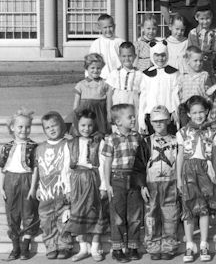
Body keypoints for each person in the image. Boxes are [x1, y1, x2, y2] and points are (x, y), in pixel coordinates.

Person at [176, 96, 216, 263]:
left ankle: (204, 243)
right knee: (189, 209)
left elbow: (214, 157)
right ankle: (190, 244)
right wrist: (178, 178)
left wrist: (213, 176)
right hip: (188, 172)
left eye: (201, 112)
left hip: (205, 172)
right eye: (194, 112)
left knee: (204, 208)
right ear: (188, 114)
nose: (198, 115)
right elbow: (180, 157)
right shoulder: (182, 132)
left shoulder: (213, 133)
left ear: (207, 111)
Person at [101, 104, 145, 262]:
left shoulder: (138, 137)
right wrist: (108, 184)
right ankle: (117, 248)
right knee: (118, 217)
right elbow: (107, 163)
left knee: (135, 216)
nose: (133, 119)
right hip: (117, 179)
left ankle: (133, 247)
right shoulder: (111, 138)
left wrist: (142, 183)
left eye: (134, 116)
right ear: (118, 122)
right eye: (130, 117)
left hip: (134, 179)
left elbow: (141, 162)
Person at [137, 106, 179, 261]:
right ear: (151, 123)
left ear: (168, 121)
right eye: (156, 122)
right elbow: (139, 165)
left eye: (162, 121)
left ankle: (169, 245)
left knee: (170, 215)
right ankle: (153, 245)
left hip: (171, 183)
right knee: (151, 216)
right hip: (151, 184)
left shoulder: (176, 140)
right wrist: (142, 185)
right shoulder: (146, 141)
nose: (159, 124)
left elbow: (180, 162)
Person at [66, 110, 109, 263]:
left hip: (93, 179)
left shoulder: (100, 142)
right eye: (83, 125)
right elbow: (66, 168)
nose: (86, 128)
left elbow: (103, 165)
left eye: (90, 125)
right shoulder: (70, 143)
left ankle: (95, 247)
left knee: (96, 213)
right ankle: (83, 247)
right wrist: (68, 189)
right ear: (77, 125)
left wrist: (104, 186)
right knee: (78, 214)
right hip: (76, 181)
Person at [0, 109, 38, 261]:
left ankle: (25, 247)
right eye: (20, 127)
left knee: (29, 213)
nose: (24, 130)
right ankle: (15, 247)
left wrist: (34, 187)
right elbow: (2, 169)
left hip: (28, 180)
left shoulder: (34, 146)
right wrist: (1, 187)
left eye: (27, 127)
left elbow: (36, 168)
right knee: (12, 214)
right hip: (10, 181)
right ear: (12, 128)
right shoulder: (6, 147)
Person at [33, 112, 72, 260]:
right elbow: (39, 169)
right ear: (44, 130)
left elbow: (71, 168)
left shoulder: (68, 144)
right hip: (45, 191)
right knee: (46, 220)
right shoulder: (40, 148)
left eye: (54, 125)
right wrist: (37, 187)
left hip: (62, 190)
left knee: (64, 219)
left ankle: (64, 246)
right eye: (47, 127)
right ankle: (50, 246)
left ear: (61, 125)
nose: (51, 129)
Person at [138, 40, 180, 135]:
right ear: (152, 55)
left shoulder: (174, 73)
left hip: (168, 115)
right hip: (151, 115)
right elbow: (143, 97)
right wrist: (141, 118)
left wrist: (175, 111)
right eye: (156, 55)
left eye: (163, 55)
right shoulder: (146, 74)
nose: (160, 58)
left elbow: (175, 94)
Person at [70, 53, 111, 135]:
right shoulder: (81, 85)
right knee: (85, 133)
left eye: (98, 68)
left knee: (99, 135)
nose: (95, 70)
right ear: (86, 68)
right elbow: (76, 106)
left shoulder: (105, 84)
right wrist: (75, 119)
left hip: (100, 115)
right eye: (92, 68)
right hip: (84, 115)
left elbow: (109, 103)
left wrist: (109, 116)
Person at [187, 2, 216, 75]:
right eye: (202, 19)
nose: (205, 22)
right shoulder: (192, 33)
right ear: (196, 18)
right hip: (197, 66)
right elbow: (189, 52)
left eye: (207, 18)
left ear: (211, 17)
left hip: (212, 66)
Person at [106, 42, 143, 116]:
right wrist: (109, 112)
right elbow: (109, 94)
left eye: (130, 56)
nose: (127, 59)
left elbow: (142, 94)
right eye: (124, 56)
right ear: (119, 57)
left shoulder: (140, 74)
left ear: (135, 56)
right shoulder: (114, 73)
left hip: (132, 105)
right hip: (117, 105)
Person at [177, 46, 210, 127]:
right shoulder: (182, 76)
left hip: (200, 109)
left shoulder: (204, 75)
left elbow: (208, 93)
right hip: (185, 108)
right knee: (186, 130)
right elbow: (179, 94)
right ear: (188, 61)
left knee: (200, 129)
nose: (199, 63)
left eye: (201, 61)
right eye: (195, 61)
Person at [89, 14, 124, 80]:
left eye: (110, 26)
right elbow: (90, 62)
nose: (108, 30)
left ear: (114, 26)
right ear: (99, 28)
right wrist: (89, 77)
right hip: (102, 77)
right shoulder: (96, 44)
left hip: (118, 78)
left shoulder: (120, 42)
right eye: (105, 27)